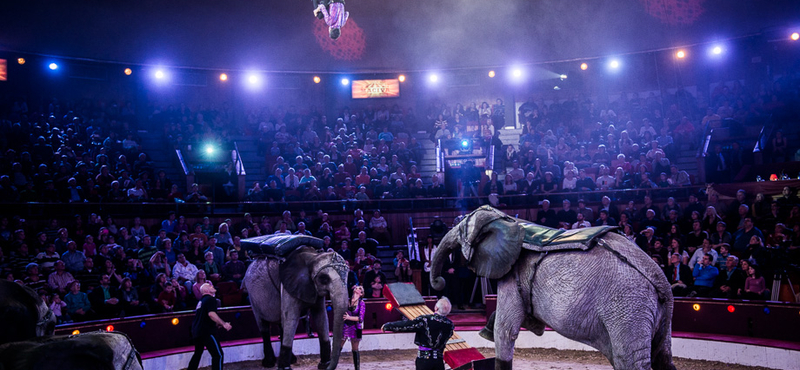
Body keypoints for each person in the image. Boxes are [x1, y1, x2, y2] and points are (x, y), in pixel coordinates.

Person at [381, 297, 455, 370]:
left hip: (424, 360)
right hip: (439, 361)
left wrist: (388, 326)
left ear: (436, 308)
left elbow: (407, 325)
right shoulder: (450, 325)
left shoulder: (425, 320)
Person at [187, 282, 232, 370]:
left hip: (197, 331)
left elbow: (204, 317)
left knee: (197, 353)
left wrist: (217, 324)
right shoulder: (211, 299)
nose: (212, 286)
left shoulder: (201, 301)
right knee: (218, 355)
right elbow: (211, 314)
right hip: (206, 331)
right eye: (210, 286)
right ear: (206, 290)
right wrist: (224, 324)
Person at [342, 285, 366, 370]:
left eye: (360, 288)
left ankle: (357, 368)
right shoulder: (347, 300)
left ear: (361, 293)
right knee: (339, 346)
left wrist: (349, 317)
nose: (357, 289)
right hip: (346, 326)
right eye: (356, 287)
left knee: (355, 349)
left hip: (356, 327)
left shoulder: (361, 303)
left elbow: (360, 318)